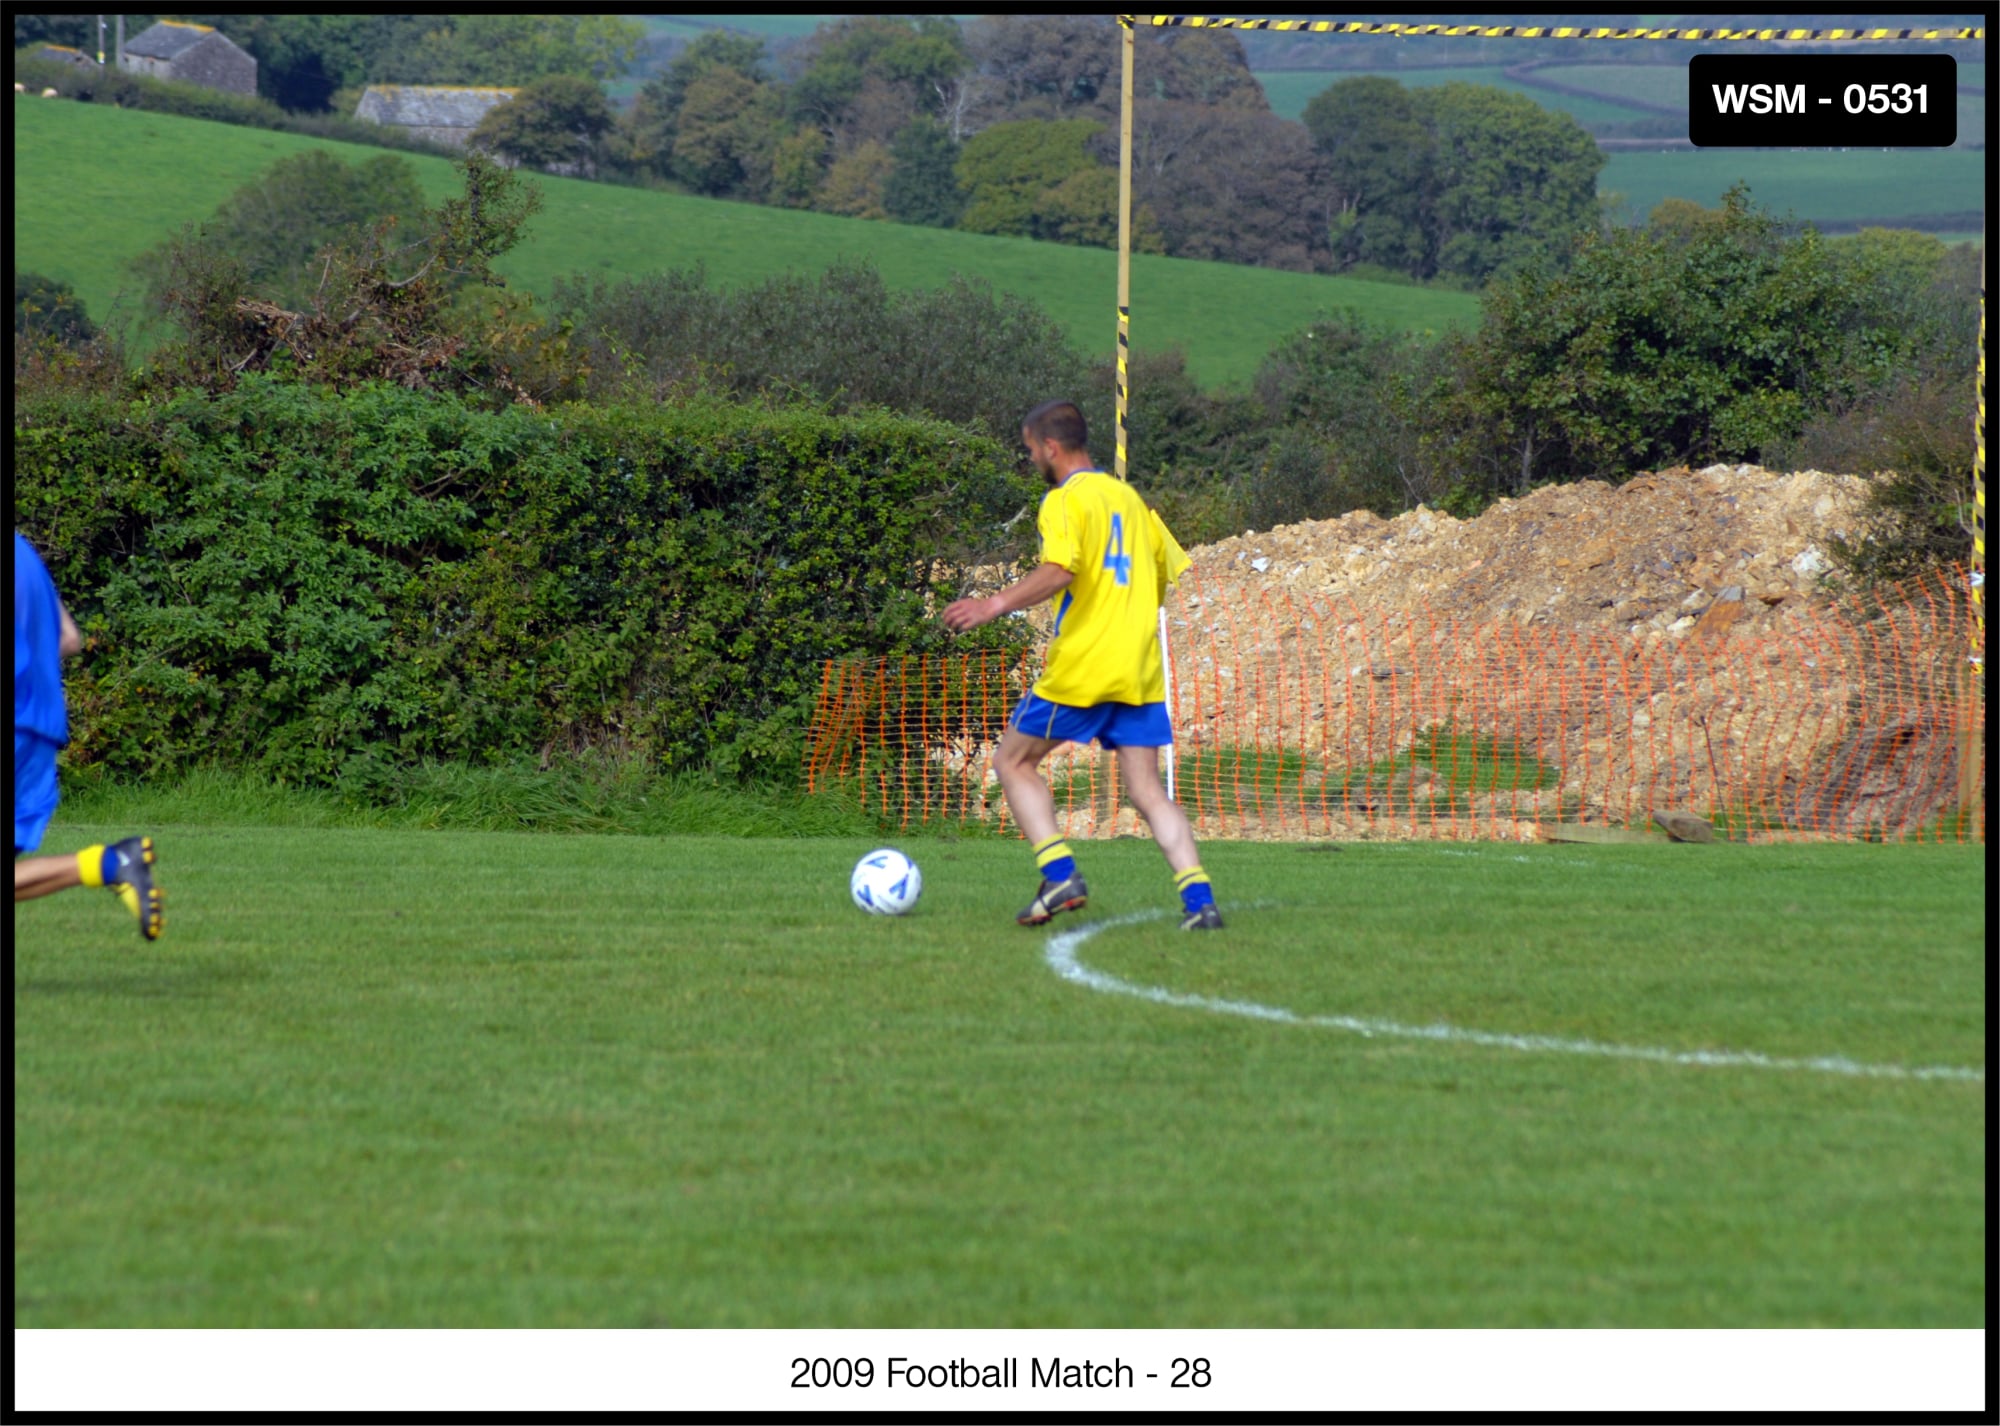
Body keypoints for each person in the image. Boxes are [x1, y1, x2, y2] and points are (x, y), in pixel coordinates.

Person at [943, 401, 1221, 931]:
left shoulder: (1064, 499)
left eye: (1030, 451)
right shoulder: (1131, 500)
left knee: (1012, 763)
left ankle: (1060, 872)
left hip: (1084, 665)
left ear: (1050, 447)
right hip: (1138, 668)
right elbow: (1165, 575)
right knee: (1146, 791)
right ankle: (1200, 902)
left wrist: (992, 604)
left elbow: (1060, 569)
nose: (1031, 460)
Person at [14, 532, 163, 939]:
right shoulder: (25, 554)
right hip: (40, 730)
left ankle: (115, 864)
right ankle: (111, 865)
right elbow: (69, 638)